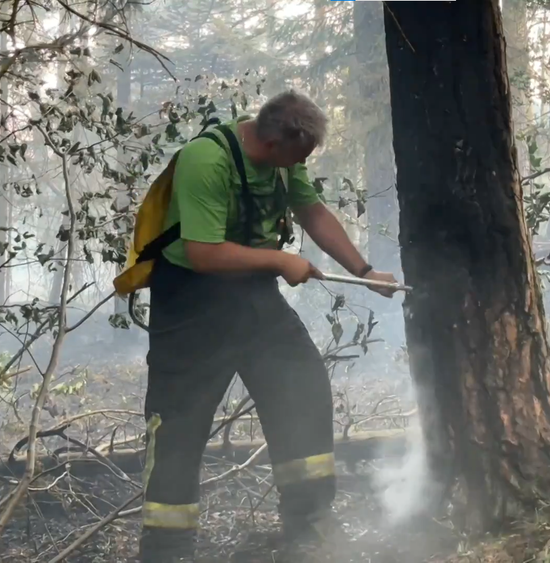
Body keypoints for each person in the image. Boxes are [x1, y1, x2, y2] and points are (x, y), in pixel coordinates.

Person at [138, 90, 399, 562]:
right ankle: (168, 550)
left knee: (302, 387)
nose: (302, 164)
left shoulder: (285, 159)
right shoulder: (206, 161)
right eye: (299, 155)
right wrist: (281, 259)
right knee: (177, 426)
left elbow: (311, 209)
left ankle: (310, 530)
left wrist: (364, 272)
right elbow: (202, 253)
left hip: (252, 295)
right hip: (189, 303)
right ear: (276, 140)